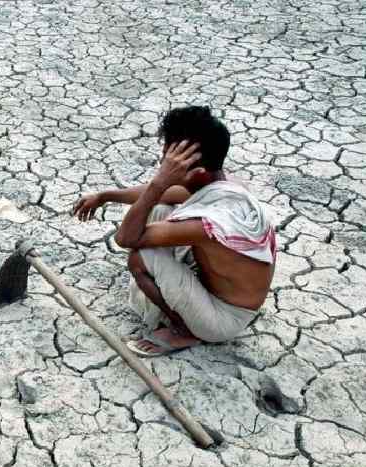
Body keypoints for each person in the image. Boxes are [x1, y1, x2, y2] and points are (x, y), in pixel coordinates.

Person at [73, 106, 276, 356]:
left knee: (140, 257)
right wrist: (105, 196)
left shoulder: (208, 225)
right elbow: (163, 195)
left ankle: (184, 331)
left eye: (170, 162)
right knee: (160, 210)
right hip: (221, 291)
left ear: (196, 171)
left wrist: (161, 180)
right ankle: (183, 309)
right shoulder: (221, 183)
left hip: (222, 319)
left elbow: (125, 238)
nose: (163, 164)